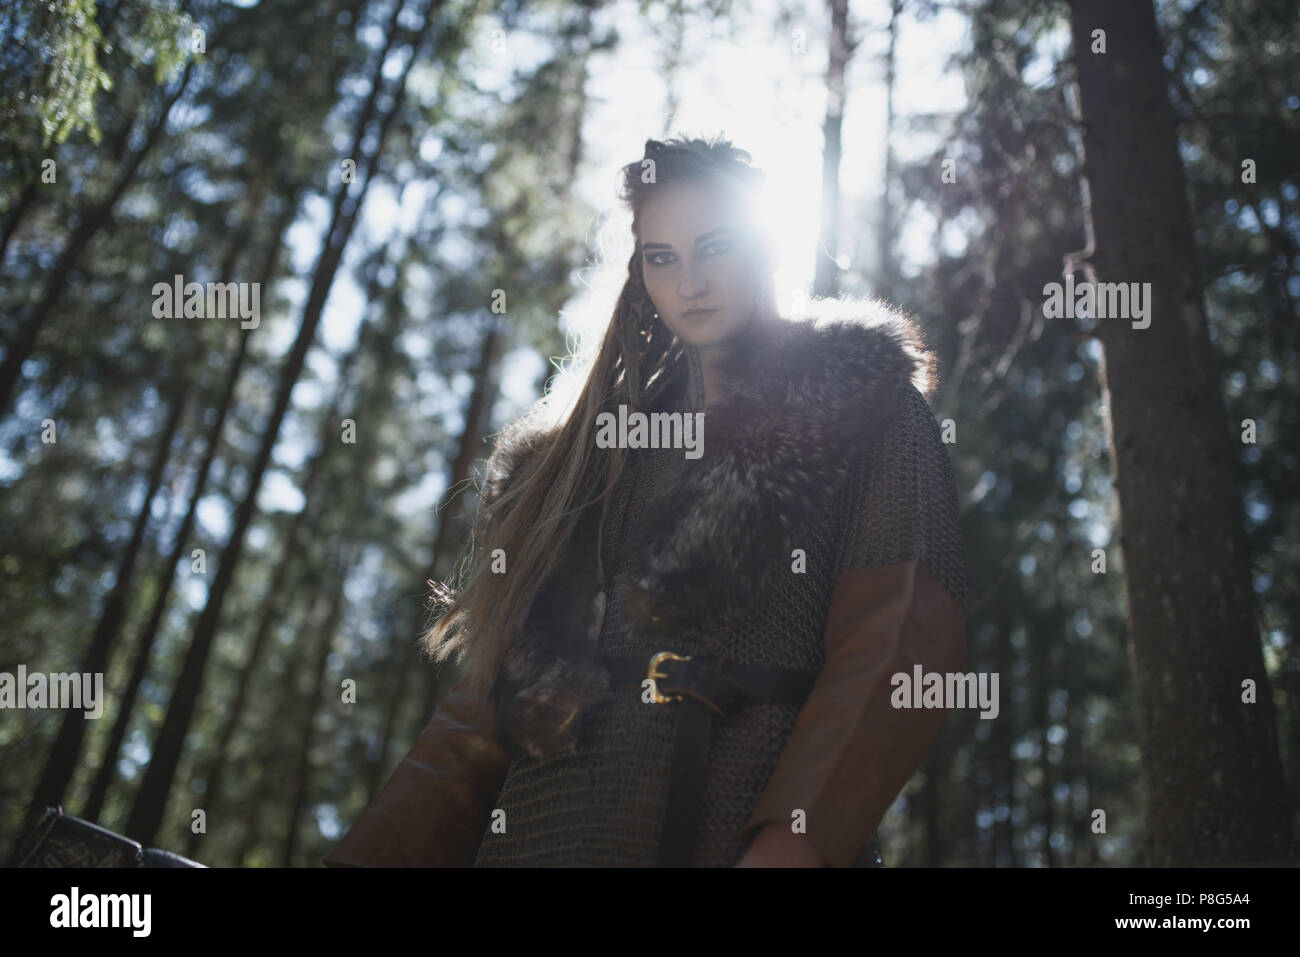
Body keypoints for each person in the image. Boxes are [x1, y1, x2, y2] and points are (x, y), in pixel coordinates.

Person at [324, 134, 968, 868]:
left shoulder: (865, 408)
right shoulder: (577, 465)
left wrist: (795, 841)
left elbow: (900, 642)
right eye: (661, 256)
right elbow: (476, 725)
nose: (688, 281)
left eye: (714, 245)